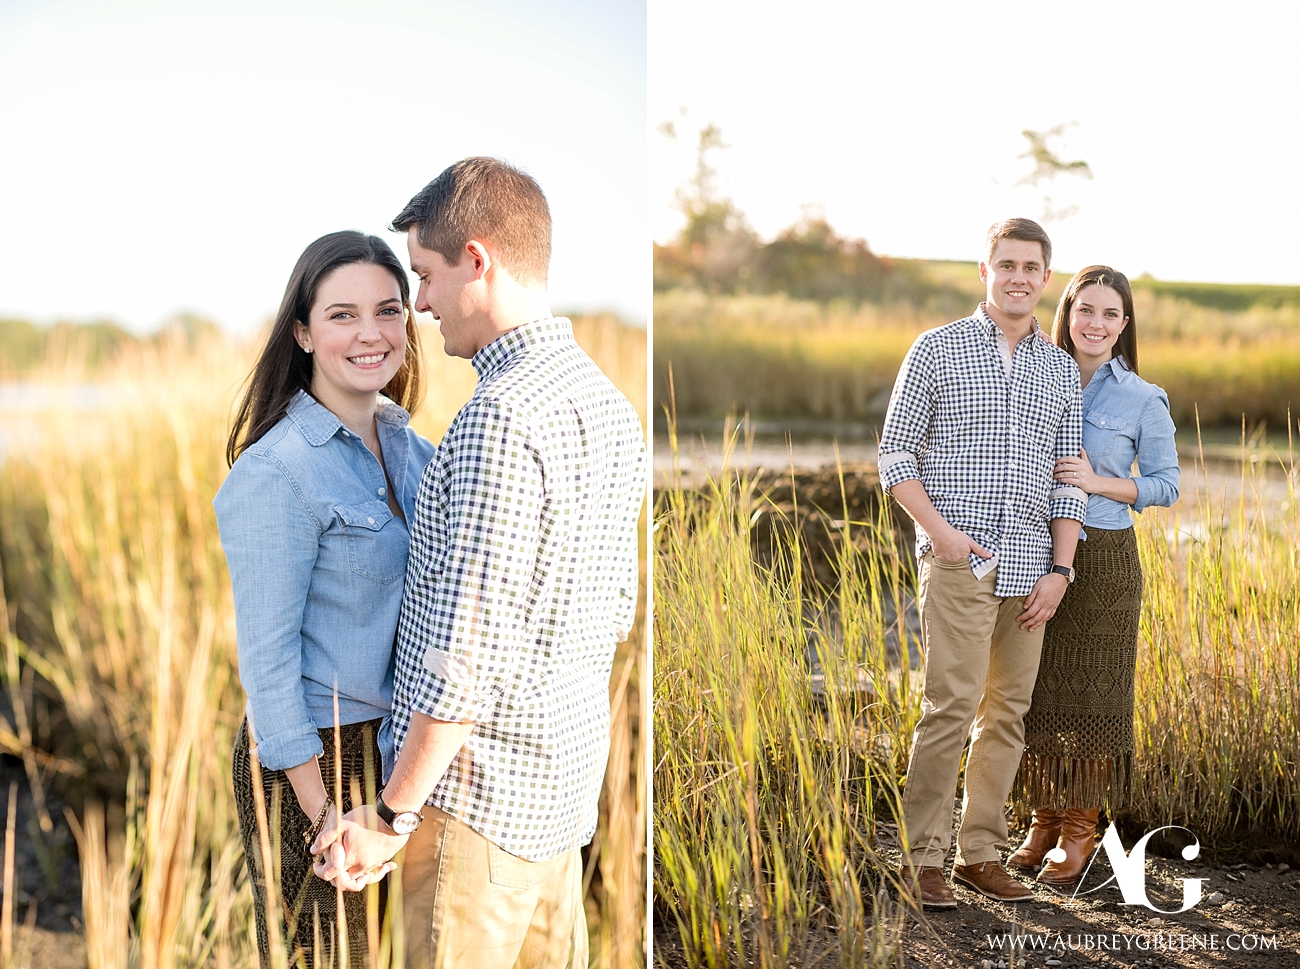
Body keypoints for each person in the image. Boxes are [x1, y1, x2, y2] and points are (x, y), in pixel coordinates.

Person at [312, 157, 646, 969]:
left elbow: (463, 662)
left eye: (424, 274)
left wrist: (390, 818)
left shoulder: (497, 417)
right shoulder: (609, 404)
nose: (418, 303)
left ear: (479, 260)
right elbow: (613, 614)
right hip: (560, 814)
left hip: (475, 820)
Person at [214, 230, 436, 967]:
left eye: (388, 309)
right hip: (313, 759)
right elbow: (269, 664)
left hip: (397, 755)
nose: (370, 333)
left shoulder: (411, 445)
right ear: (303, 332)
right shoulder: (276, 470)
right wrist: (324, 816)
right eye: (342, 315)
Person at [877, 218, 1088, 909]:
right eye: (1007, 264)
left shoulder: (1059, 368)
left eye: (1032, 266)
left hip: (1033, 568)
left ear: (1045, 277)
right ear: (985, 270)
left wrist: (1061, 571)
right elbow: (895, 456)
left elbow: (1067, 481)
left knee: (1006, 714)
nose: (1019, 276)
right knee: (950, 706)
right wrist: (940, 534)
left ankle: (980, 853)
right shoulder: (937, 349)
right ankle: (922, 858)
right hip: (960, 558)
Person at [1009, 266, 1180, 883]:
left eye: (1110, 314)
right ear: (1067, 313)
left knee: (1094, 700)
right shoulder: (1032, 375)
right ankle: (1042, 820)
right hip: (1033, 551)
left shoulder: (1142, 397)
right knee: (1037, 692)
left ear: (1124, 324)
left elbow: (1166, 485)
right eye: (1086, 311)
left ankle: (1080, 829)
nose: (1096, 324)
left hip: (1105, 558)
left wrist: (1097, 481)